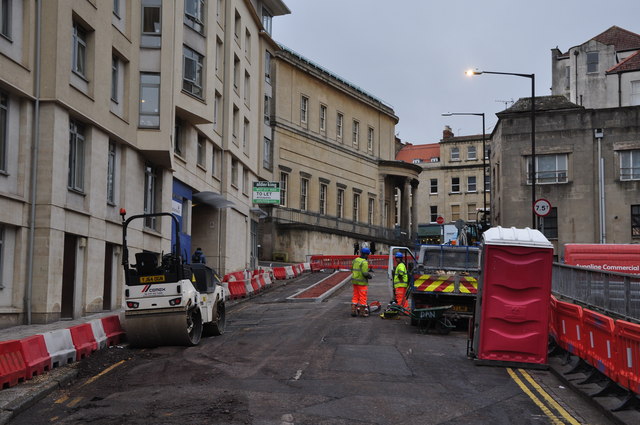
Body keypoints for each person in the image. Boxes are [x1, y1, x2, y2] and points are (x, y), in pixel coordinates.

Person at [351, 247, 373, 317]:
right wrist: (369, 276)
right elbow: (365, 273)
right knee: (363, 296)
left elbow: (352, 269)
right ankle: (362, 312)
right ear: (366, 254)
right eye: (368, 255)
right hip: (362, 283)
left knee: (355, 296)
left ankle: (353, 310)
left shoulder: (355, 260)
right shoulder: (364, 262)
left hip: (355, 281)